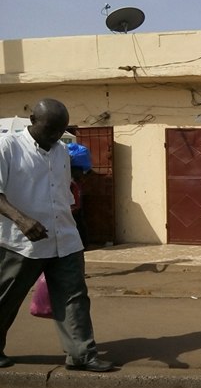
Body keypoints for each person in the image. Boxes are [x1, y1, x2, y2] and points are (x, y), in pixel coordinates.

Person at [0, 98, 115, 372]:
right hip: (22, 242)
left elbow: (61, 193)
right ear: (33, 121)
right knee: (6, 298)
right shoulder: (7, 148)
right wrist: (22, 219)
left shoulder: (62, 151)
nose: (54, 135)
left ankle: (81, 355)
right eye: (50, 129)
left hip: (64, 238)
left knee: (74, 297)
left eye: (59, 130)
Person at [68, 142, 92, 247]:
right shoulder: (72, 181)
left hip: (74, 209)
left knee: (79, 227)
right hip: (73, 209)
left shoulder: (74, 181)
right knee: (79, 227)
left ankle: (83, 245)